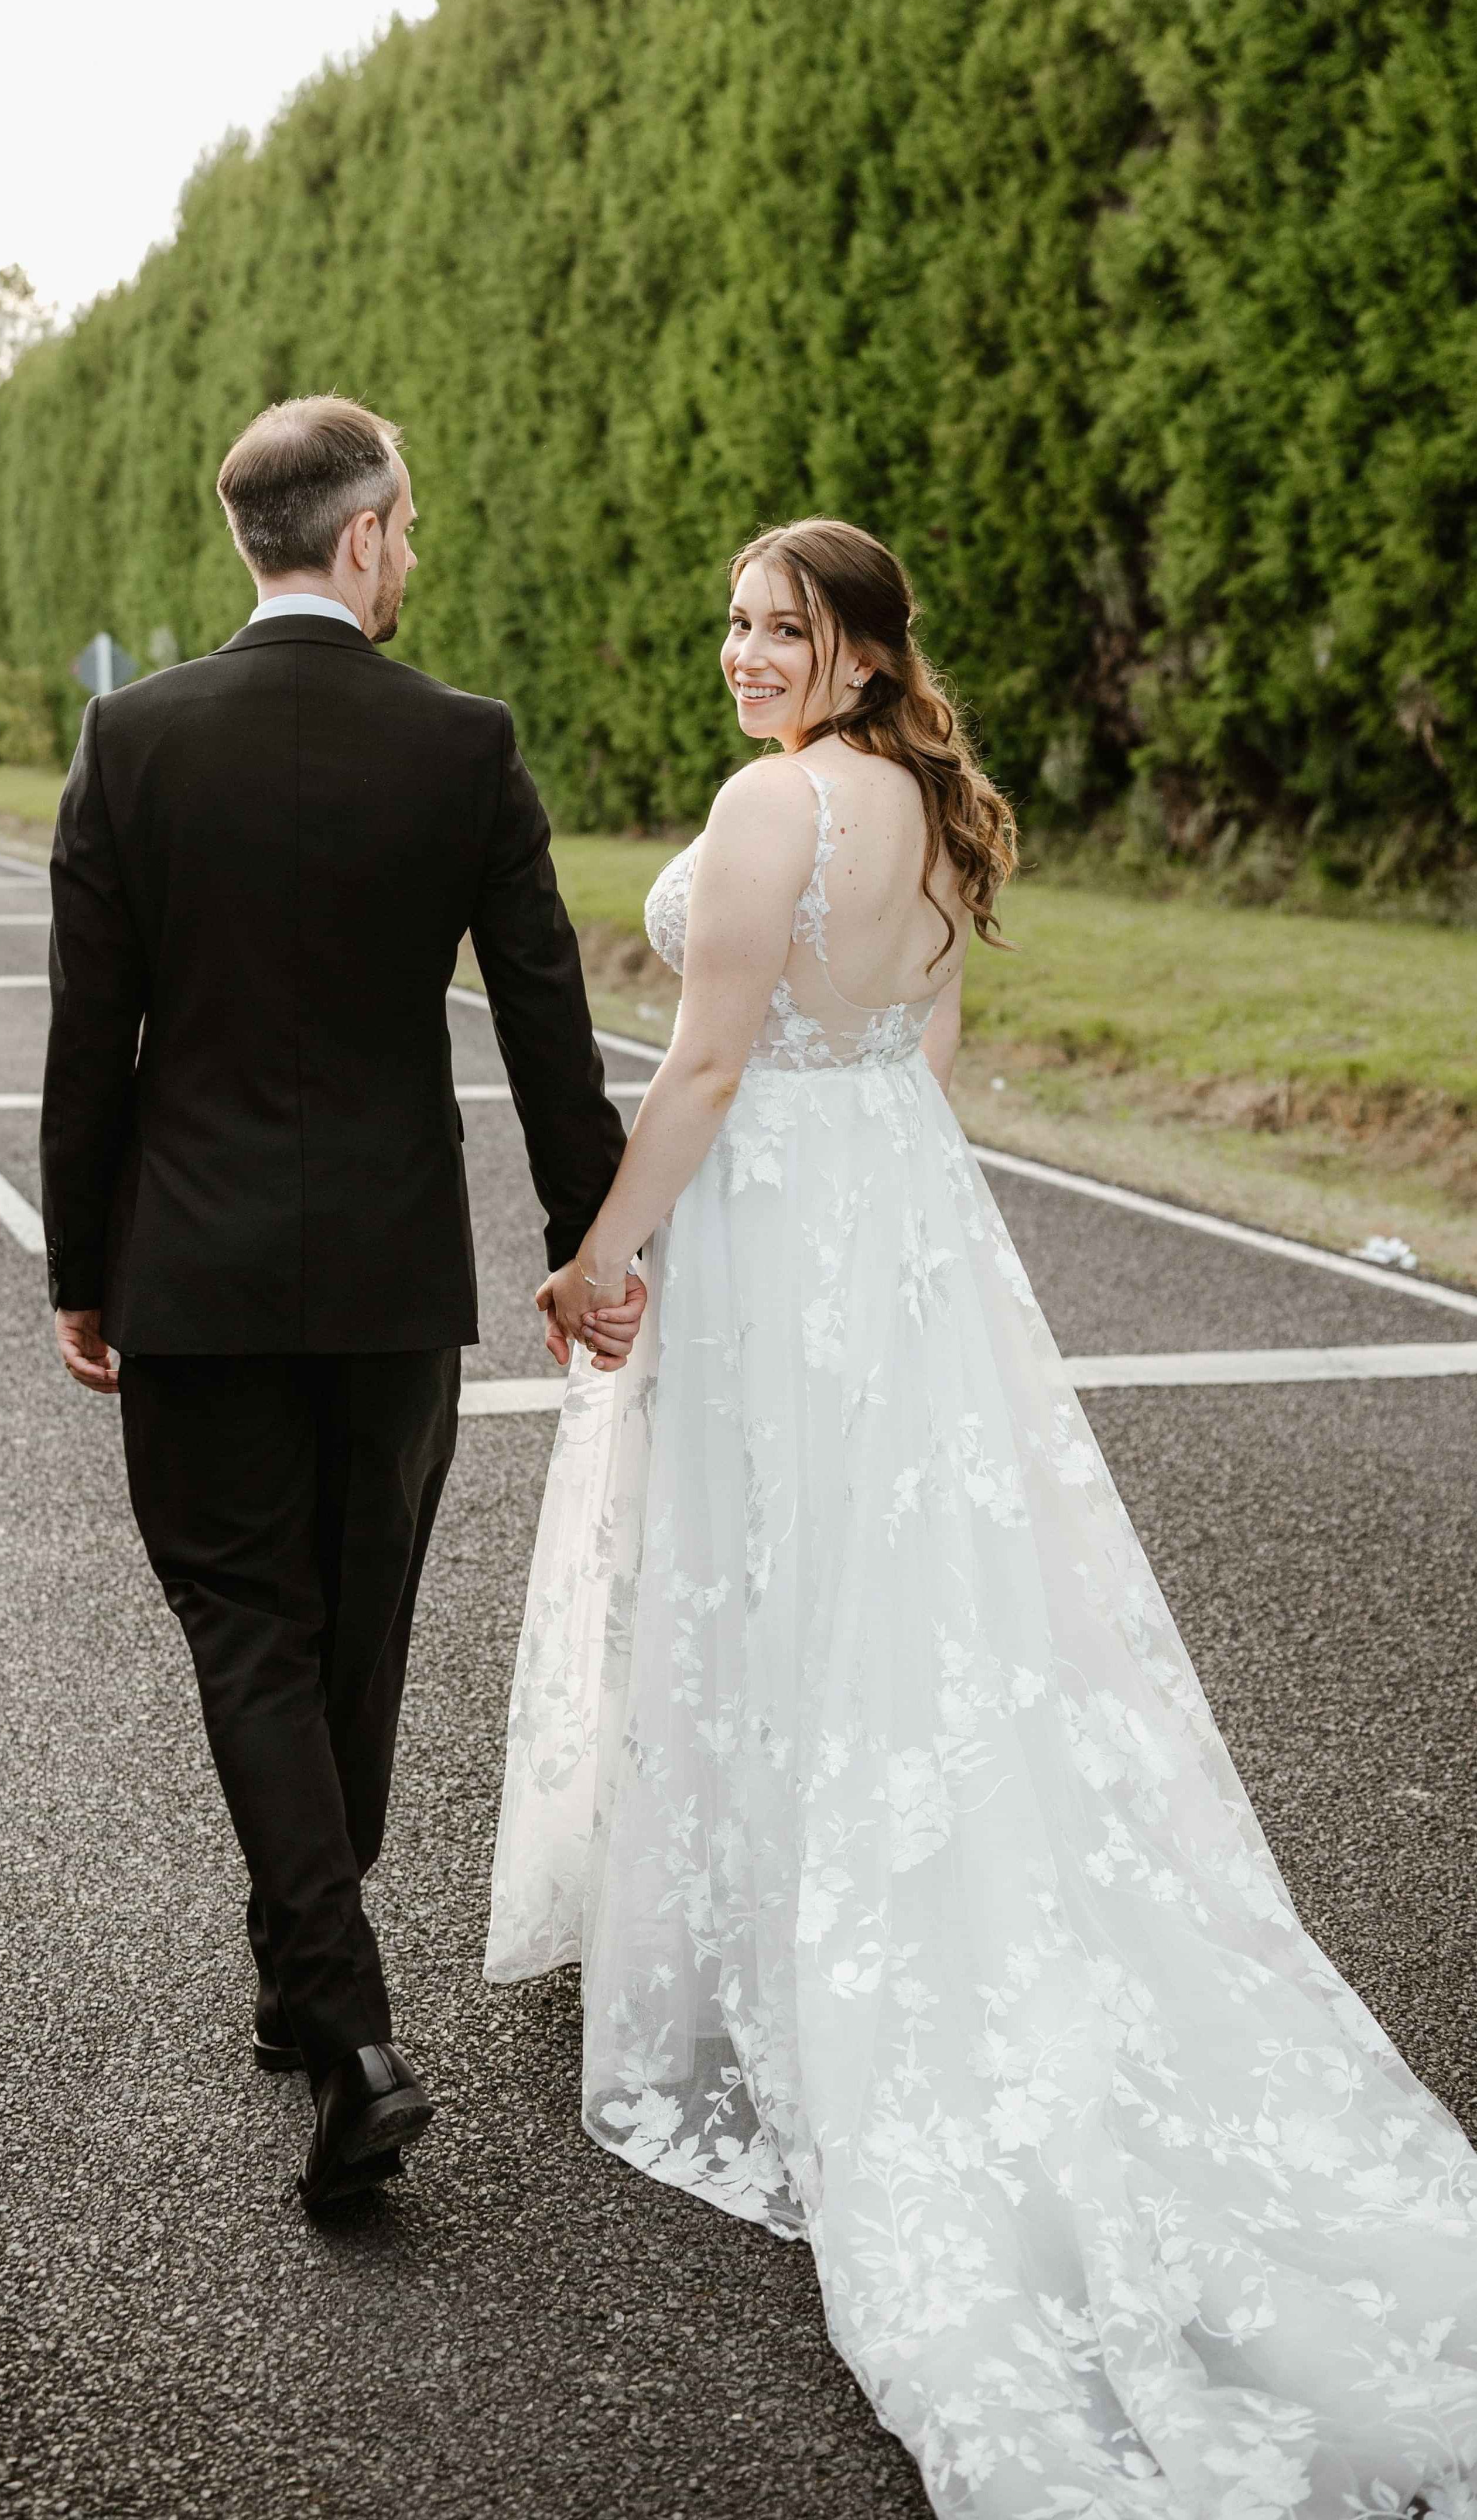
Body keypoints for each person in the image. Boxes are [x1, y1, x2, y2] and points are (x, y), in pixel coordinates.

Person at [487, 518, 1477, 2516]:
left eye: (786, 629)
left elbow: (694, 1071)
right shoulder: (930, 816)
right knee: (911, 1606)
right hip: (898, 1232)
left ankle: (809, 1946)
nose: (747, 654)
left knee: (782, 1590)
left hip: (784, 1226)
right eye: (739, 624)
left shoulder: (777, 805)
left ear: (857, 652)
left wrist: (597, 1256)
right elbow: (923, 1055)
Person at [40, 394, 642, 2213]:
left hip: (194, 1275)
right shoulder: (464, 743)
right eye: (411, 527)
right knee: (352, 1619)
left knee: (248, 1630)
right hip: (389, 1279)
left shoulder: (130, 738)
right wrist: (585, 1239)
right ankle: (328, 1987)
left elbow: (93, 1044)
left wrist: (83, 1271)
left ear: (256, 541)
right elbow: (544, 1013)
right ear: (367, 533)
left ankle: (331, 2003)